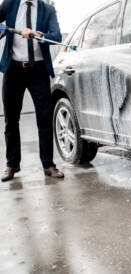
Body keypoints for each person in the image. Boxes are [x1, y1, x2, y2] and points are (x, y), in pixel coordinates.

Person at [0, 0, 64, 182]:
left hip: (38, 70)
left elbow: (57, 36)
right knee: (11, 120)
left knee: (44, 119)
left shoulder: (48, 9)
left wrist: (38, 34)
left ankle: (48, 165)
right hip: (13, 69)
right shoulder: (10, 4)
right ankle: (12, 165)